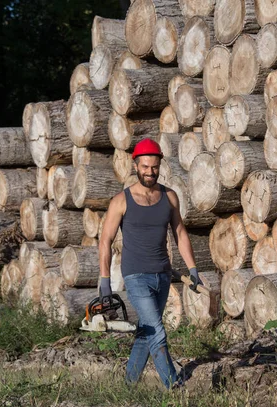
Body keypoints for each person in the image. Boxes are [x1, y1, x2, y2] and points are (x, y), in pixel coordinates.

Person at [97, 138, 201, 390]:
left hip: (162, 276)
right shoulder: (121, 201)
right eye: (145, 167)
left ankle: (128, 386)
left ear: (160, 165)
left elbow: (180, 233)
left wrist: (193, 269)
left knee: (146, 332)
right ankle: (174, 386)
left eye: (154, 167)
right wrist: (104, 281)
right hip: (135, 276)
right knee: (157, 330)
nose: (150, 172)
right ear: (135, 165)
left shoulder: (169, 197)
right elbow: (105, 240)